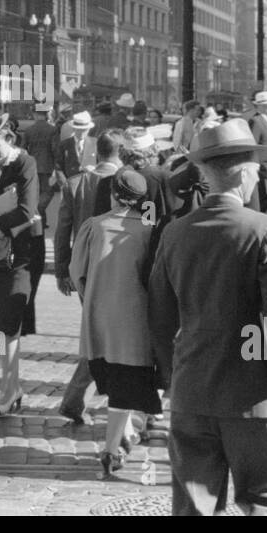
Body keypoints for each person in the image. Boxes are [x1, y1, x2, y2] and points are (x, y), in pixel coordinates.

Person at [149, 120, 267, 515]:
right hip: (250, 394)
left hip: (192, 392)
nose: (258, 174)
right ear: (243, 172)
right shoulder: (265, 229)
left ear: (205, 173)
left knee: (193, 507)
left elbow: (158, 316)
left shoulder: (174, 232)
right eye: (256, 167)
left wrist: (171, 378)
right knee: (265, 502)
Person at [71, 167, 162, 475]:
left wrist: (92, 297)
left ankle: (117, 443)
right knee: (126, 385)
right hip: (135, 325)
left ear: (112, 194)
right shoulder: (150, 230)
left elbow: (76, 273)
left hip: (98, 320)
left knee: (112, 384)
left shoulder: (94, 227)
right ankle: (113, 448)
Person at [0, 113, 44, 415]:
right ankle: (10, 386)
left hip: (25, 249)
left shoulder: (24, 163)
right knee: (3, 324)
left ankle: (7, 389)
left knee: (8, 322)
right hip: (1, 250)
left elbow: (27, 210)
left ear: (10, 139)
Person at [55, 129, 124, 426]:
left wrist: (62, 269)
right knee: (108, 335)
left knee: (99, 332)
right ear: (120, 152)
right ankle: (78, 397)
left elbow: (61, 230)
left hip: (82, 268)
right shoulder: (126, 182)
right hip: (115, 267)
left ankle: (79, 398)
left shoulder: (75, 183)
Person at [22, 103, 59, 226]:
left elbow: (23, 150)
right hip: (48, 166)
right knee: (48, 192)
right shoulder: (53, 130)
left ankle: (41, 221)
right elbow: (55, 149)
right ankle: (37, 211)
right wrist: (57, 166)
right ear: (46, 114)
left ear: (35, 114)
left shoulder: (28, 130)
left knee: (36, 193)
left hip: (32, 166)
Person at [54, 110, 98, 186]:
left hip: (90, 186)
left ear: (89, 129)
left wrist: (94, 169)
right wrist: (65, 185)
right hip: (70, 185)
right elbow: (58, 168)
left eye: (84, 130)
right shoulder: (64, 145)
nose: (81, 133)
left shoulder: (95, 143)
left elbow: (102, 163)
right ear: (74, 129)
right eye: (79, 130)